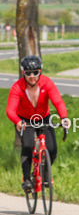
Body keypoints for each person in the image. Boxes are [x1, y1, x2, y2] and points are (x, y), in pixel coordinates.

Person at [7, 55, 70, 191]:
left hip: (44, 118)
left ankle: (44, 172)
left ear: (40, 71)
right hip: (24, 119)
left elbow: (58, 101)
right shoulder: (17, 87)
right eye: (28, 73)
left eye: (35, 73)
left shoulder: (47, 83)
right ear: (23, 72)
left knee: (52, 149)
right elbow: (10, 110)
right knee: (28, 145)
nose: (32, 76)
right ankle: (27, 180)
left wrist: (63, 117)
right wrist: (17, 121)